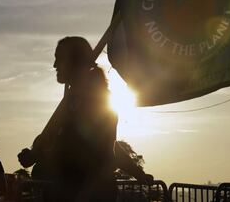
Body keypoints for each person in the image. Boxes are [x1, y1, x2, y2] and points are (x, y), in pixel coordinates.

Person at [18, 36, 152, 201]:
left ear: (74, 62)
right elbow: (108, 146)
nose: (54, 65)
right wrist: (35, 155)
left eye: (59, 59)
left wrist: (84, 195)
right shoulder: (72, 102)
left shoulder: (96, 101)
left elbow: (103, 156)